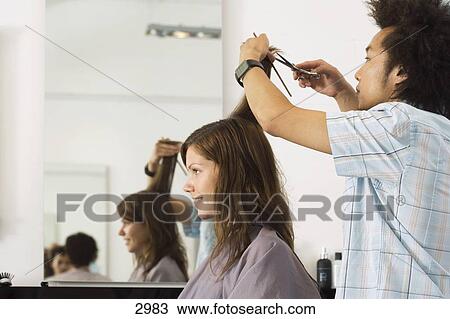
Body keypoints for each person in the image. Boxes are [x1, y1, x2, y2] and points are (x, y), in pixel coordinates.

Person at [237, 0, 450, 298]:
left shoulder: (399, 127)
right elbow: (376, 152)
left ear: (401, 71)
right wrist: (342, 92)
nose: (359, 73)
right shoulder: (428, 130)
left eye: (369, 59)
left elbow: (275, 119)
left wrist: (249, 64)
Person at [178, 95, 320, 298]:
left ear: (232, 171)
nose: (187, 186)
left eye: (196, 171)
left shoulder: (266, 254)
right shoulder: (229, 250)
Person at [117, 151, 190, 283]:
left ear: (150, 224)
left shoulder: (164, 272)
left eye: (127, 222)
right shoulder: (146, 267)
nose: (120, 232)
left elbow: (154, 200)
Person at [145, 138, 216, 268]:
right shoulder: (206, 218)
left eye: (196, 171)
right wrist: (153, 166)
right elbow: (152, 203)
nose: (187, 187)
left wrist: (152, 167)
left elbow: (152, 204)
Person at [45, 233, 110, 282]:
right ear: (95, 256)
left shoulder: (50, 283)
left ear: (68, 255)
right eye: (60, 262)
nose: (63, 266)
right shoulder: (106, 282)